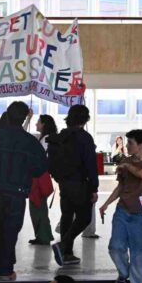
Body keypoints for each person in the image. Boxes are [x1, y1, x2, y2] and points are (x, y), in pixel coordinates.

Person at [0, 103, 48, 281]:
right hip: (17, 192)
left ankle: (2, 265)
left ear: (8, 115)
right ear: (25, 117)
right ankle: (6, 269)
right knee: (11, 230)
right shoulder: (29, 141)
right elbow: (41, 168)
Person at [98, 129, 142, 283]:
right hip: (123, 211)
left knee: (140, 253)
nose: (127, 146)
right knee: (115, 247)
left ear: (141, 144)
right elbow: (121, 187)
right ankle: (124, 272)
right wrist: (106, 204)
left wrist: (126, 166)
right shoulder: (126, 161)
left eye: (130, 142)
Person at [49, 104, 99, 267]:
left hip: (64, 183)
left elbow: (51, 162)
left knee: (67, 216)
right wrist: (94, 188)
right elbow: (91, 164)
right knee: (84, 217)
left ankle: (67, 254)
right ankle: (63, 246)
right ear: (85, 119)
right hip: (80, 183)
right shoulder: (84, 138)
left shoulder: (60, 137)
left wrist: (59, 178)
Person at [29, 114, 58, 246]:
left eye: (38, 122)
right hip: (43, 176)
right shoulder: (47, 138)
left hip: (39, 176)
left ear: (44, 124)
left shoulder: (45, 139)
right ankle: (43, 234)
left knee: (37, 206)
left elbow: (39, 158)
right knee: (40, 206)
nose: (36, 124)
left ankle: (43, 236)